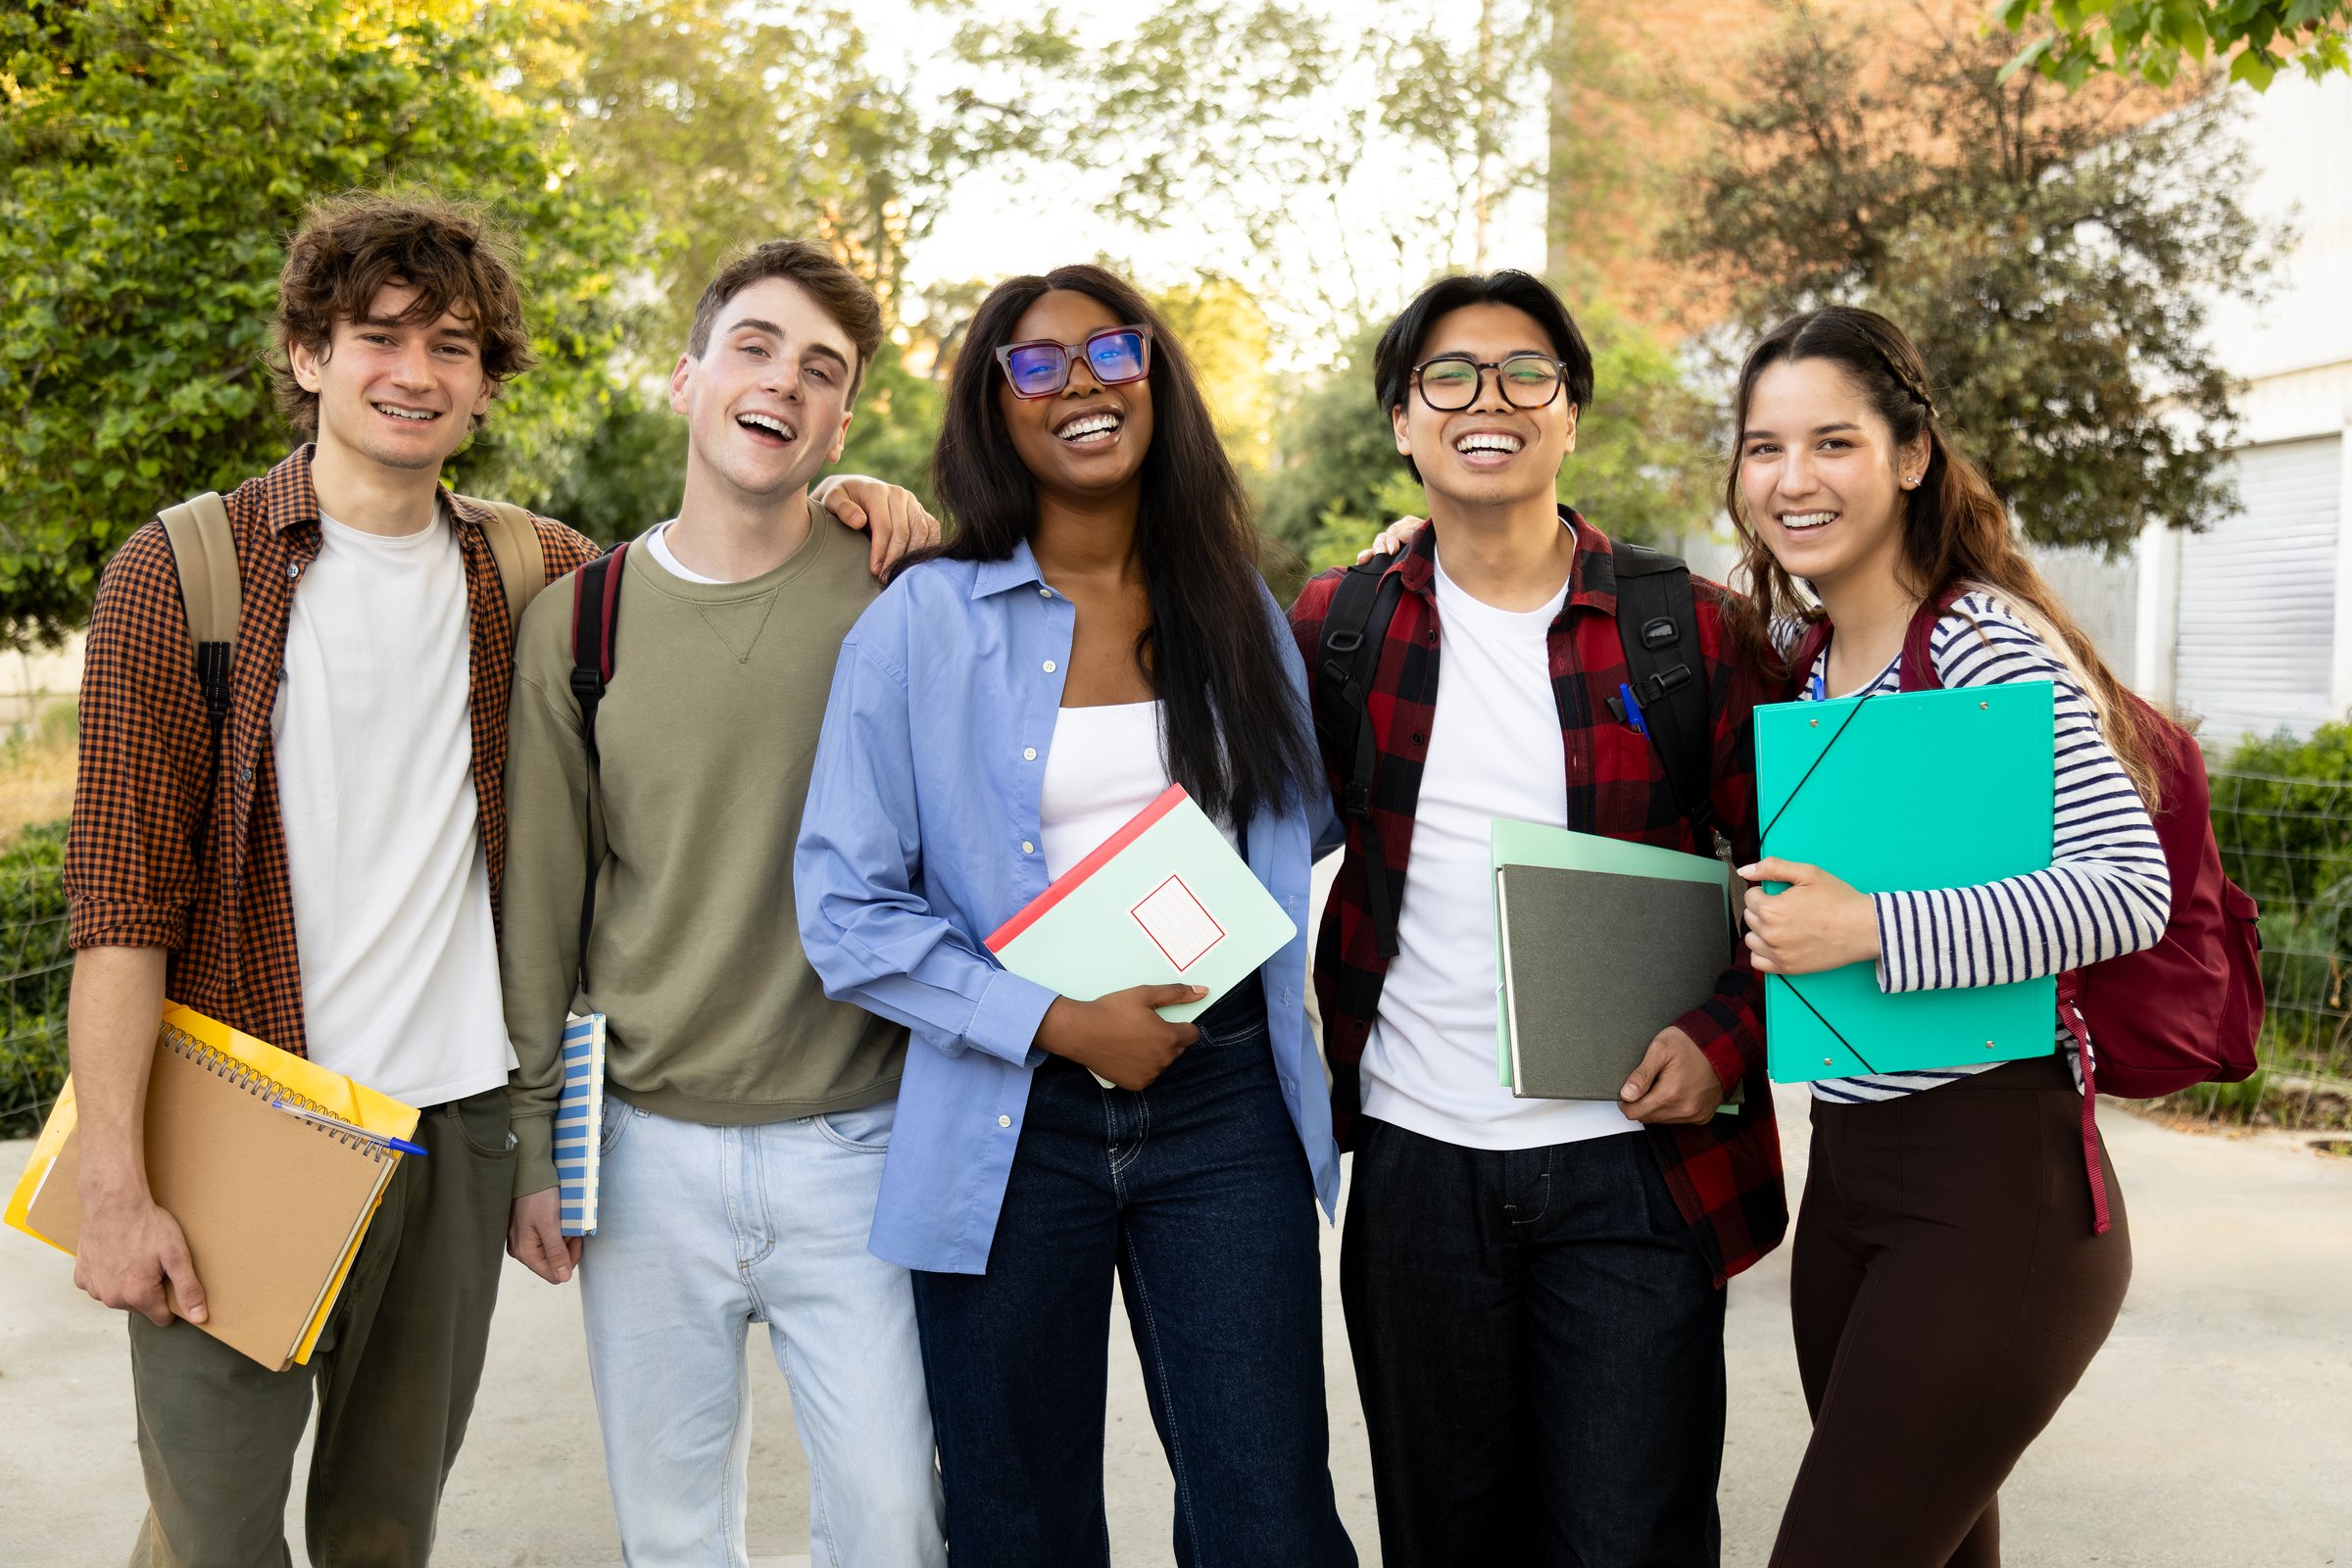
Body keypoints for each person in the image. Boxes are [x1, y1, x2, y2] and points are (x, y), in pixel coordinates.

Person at [60, 193, 600, 1568]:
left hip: (456, 1129)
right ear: (309, 355)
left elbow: (718, 581)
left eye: (457, 347)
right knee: (211, 1534)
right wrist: (116, 1185)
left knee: (384, 1532)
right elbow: (121, 909)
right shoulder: (181, 571)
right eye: (381, 335)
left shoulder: (536, 573)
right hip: (244, 1115)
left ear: (485, 390)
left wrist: (857, 506)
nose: (417, 371)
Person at [795, 264, 1355, 1568]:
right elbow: (844, 907)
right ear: (996, 410)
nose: (1084, 384)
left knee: (1268, 1514)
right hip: (1008, 1114)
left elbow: (1300, 829)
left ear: (1158, 378)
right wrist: (1059, 1016)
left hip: (1223, 1109)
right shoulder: (922, 625)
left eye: (1113, 351)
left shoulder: (1239, 613)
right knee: (1018, 1518)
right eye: (1036, 365)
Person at [1294, 270, 1787, 1567]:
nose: (1488, 400)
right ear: (1403, 422)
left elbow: (1805, 882)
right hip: (1413, 1170)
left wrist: (1727, 1040)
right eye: (1448, 377)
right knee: (1444, 1541)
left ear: (1571, 417)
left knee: (1632, 1541)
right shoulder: (1340, 623)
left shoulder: (1689, 634)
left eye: (1527, 374)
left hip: (1637, 1166)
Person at [500, 240, 945, 1568]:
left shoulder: (901, 592)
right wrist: (536, 1146)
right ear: (687, 379)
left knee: (894, 1526)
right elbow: (542, 904)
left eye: (821, 370)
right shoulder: (579, 626)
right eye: (753, 347)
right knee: (674, 1536)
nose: (782, 383)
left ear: (843, 422)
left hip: (861, 1148)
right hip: (643, 1158)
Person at [1726, 306, 2167, 1568]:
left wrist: (1869, 924)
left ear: (1911, 455)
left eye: (1833, 442)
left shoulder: (1982, 644)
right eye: (1764, 449)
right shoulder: (1808, 670)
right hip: (1853, 1178)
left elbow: (2124, 888)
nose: (1793, 480)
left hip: (1998, 1190)